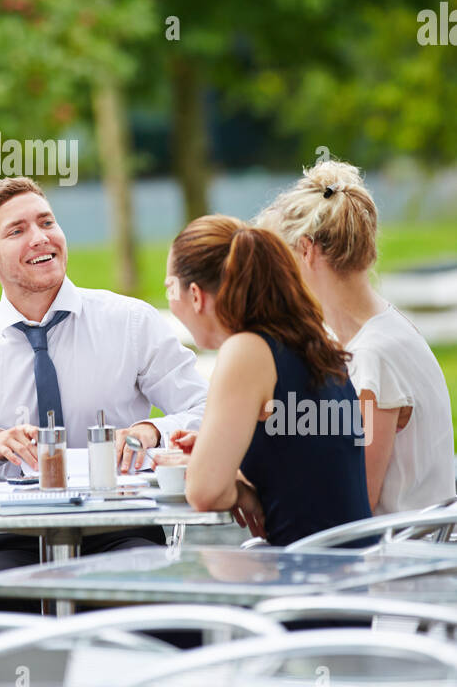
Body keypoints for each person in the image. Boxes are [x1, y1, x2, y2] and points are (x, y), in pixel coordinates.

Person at [0, 177, 208, 606]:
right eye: (17, 231)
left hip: (123, 530)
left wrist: (150, 432)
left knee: (155, 607)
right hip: (13, 541)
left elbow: (207, 409)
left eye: (46, 222)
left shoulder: (130, 322)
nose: (40, 238)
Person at [155, 214, 372, 546]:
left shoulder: (246, 351)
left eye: (170, 288)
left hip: (306, 577)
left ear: (195, 295)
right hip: (354, 565)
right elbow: (304, 457)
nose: (171, 299)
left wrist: (239, 491)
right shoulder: (310, 341)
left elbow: (204, 493)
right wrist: (217, 452)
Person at [257, 160, 455, 516]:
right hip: (410, 548)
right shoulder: (386, 329)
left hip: (394, 558)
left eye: (281, 261)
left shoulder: (373, 354)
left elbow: (356, 495)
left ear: (306, 250)